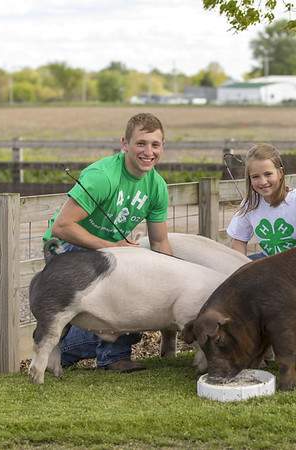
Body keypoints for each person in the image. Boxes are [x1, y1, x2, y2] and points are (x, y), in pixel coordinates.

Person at [42, 112, 172, 373]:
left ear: (162, 147)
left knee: (137, 313)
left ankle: (70, 349)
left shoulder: (157, 186)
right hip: (64, 248)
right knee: (123, 282)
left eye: (155, 145)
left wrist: (173, 282)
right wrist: (113, 248)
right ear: (125, 143)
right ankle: (113, 358)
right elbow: (62, 227)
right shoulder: (102, 176)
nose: (148, 152)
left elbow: (159, 243)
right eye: (141, 143)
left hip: (109, 252)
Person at [227, 143, 296, 261]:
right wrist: (238, 267)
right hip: (267, 262)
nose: (263, 182)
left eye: (268, 174)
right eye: (256, 176)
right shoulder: (250, 205)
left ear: (280, 173)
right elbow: (239, 241)